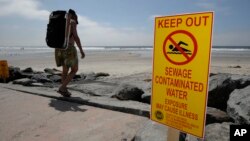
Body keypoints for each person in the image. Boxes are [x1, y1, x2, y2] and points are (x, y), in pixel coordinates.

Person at [55, 9, 85, 97]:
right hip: (69, 49)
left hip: (60, 48)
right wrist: (81, 50)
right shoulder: (72, 22)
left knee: (65, 71)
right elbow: (75, 37)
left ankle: (64, 90)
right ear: (73, 15)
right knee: (74, 70)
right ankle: (62, 87)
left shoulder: (62, 22)